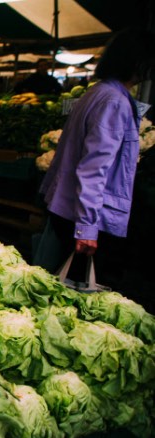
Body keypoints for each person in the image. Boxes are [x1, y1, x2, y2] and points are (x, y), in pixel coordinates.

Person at [37, 29, 155, 279]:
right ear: (136, 62)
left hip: (69, 207)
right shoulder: (114, 101)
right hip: (83, 214)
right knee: (77, 294)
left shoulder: (97, 92)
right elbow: (93, 168)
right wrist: (87, 227)